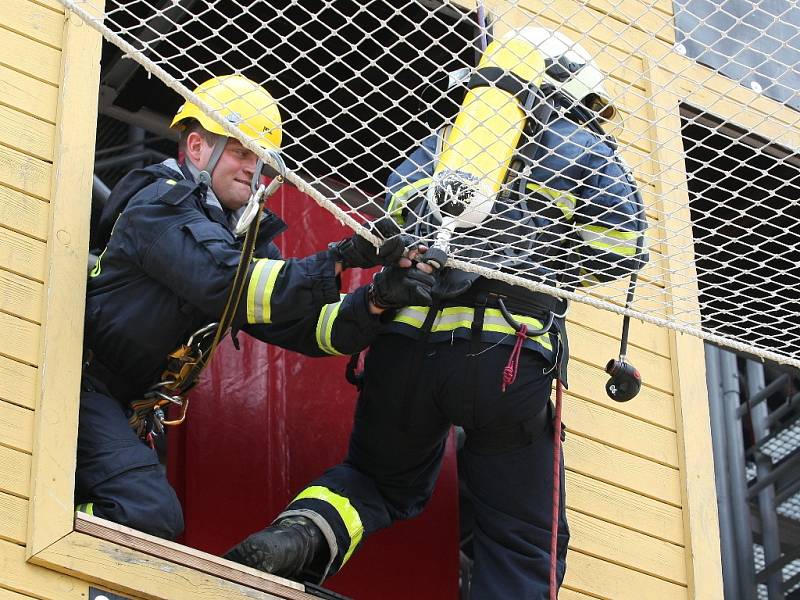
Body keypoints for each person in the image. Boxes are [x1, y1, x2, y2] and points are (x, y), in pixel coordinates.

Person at [224, 28, 648, 599]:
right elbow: (623, 248)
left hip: (405, 354)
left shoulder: (446, 145)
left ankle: (298, 538)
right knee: (520, 534)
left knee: (376, 480)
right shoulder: (581, 147)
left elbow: (395, 227)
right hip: (506, 362)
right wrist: (549, 259)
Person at [76, 74, 435, 541]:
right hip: (81, 384)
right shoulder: (159, 205)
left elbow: (306, 323)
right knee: (146, 513)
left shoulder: (233, 236)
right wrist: (343, 256)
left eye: (261, 159)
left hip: (122, 406)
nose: (254, 168)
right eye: (243, 151)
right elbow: (231, 284)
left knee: (146, 516)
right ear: (199, 147)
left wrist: (376, 299)